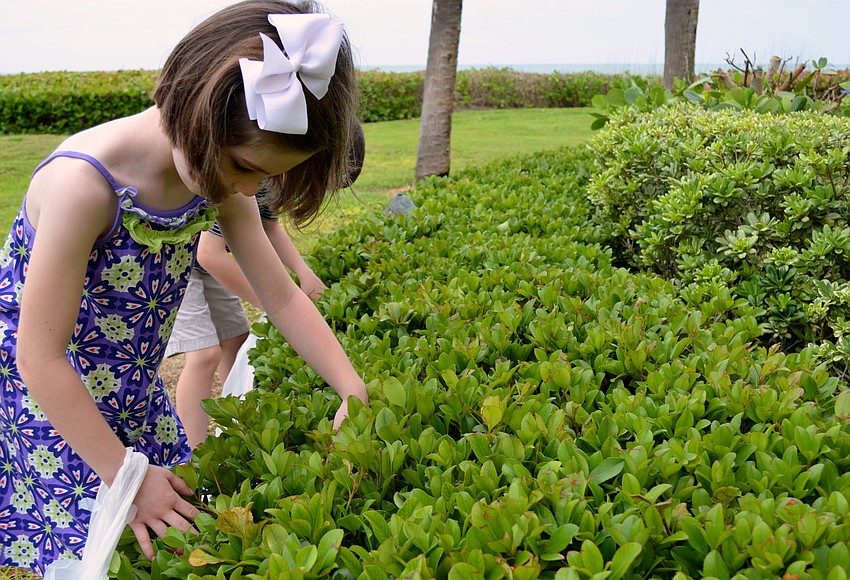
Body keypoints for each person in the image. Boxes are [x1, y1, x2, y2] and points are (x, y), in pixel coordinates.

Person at [0, 0, 367, 574]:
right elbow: (38, 356)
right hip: (50, 404)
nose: (248, 189)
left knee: (172, 536)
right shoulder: (83, 186)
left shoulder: (219, 180)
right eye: (245, 167)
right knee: (95, 552)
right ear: (198, 112)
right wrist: (126, 477)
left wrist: (350, 387)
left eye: (265, 176)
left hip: (134, 391)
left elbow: (281, 297)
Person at [166, 118, 365, 448]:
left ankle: (237, 426)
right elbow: (209, 254)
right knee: (204, 355)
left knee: (236, 338)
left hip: (206, 261)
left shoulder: (268, 175)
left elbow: (268, 227)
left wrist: (303, 272)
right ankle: (194, 453)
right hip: (180, 259)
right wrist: (268, 304)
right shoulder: (250, 172)